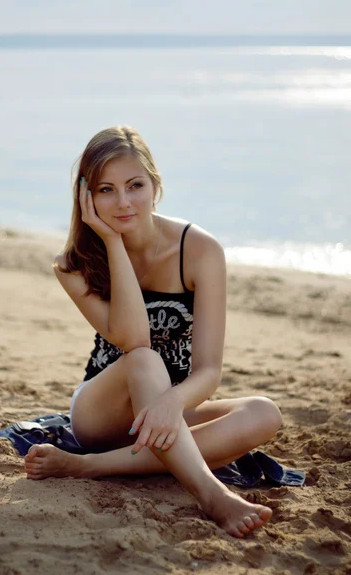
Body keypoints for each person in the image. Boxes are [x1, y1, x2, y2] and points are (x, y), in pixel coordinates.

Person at [24, 125, 282, 538]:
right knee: (144, 359)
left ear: (155, 185)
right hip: (103, 411)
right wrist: (111, 241)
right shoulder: (72, 264)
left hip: (169, 408)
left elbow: (209, 372)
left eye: (135, 185)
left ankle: (90, 467)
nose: (123, 202)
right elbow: (133, 340)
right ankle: (212, 495)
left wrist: (170, 403)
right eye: (106, 190)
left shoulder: (200, 251)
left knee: (264, 412)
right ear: (85, 196)